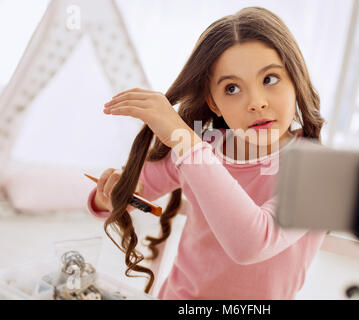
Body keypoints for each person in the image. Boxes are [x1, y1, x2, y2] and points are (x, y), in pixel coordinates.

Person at [86, 6, 326, 299]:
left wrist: (185, 142)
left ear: (295, 79)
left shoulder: (319, 172)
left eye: (270, 79)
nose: (257, 102)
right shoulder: (205, 147)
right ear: (213, 103)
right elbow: (129, 196)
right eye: (233, 88)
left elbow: (252, 243)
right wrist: (109, 195)